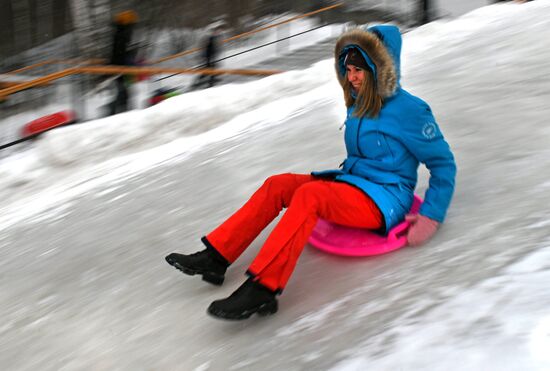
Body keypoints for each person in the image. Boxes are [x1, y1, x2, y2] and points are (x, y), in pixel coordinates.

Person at [166, 25, 457, 320]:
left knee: (310, 195)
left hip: (387, 199)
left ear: (379, 68)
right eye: (348, 69)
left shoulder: (411, 110)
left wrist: (431, 216)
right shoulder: (360, 103)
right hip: (356, 185)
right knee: (278, 185)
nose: (352, 77)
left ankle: (263, 290)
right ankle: (216, 257)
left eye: (360, 69)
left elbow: (443, 164)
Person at [109, 10, 138, 115]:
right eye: (131, 23)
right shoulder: (123, 34)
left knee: (124, 91)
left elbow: (121, 51)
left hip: (123, 67)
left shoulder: (121, 32)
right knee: (123, 92)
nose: (133, 26)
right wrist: (131, 53)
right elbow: (120, 51)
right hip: (121, 67)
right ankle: (121, 112)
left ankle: (122, 112)